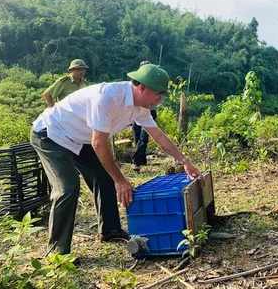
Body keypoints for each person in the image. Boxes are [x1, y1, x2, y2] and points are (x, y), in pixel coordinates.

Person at [30, 64, 202, 255]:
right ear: (142, 87)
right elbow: (98, 143)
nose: (160, 100)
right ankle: (56, 253)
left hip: (80, 138)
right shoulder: (107, 97)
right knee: (68, 187)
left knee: (103, 177)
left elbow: (159, 137)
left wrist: (184, 161)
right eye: (158, 94)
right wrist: (120, 180)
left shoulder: (141, 108)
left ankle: (109, 230)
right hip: (51, 134)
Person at [131, 61, 158, 173]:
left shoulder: (155, 82)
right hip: (137, 111)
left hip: (149, 112)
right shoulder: (136, 82)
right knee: (137, 134)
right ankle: (142, 158)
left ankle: (136, 162)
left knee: (143, 137)